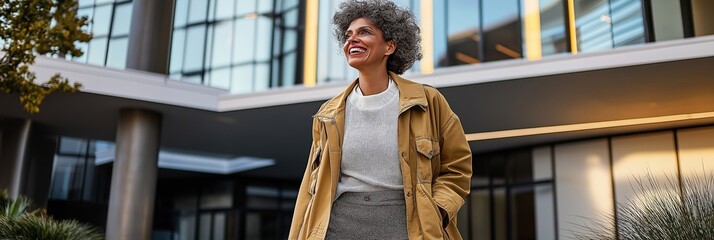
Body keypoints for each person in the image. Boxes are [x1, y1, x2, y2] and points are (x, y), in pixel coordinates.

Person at [289, 0, 472, 239]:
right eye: (348, 35)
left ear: (390, 46)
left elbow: (457, 168)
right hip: (338, 227)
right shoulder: (328, 114)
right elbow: (309, 190)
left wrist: (436, 211)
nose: (352, 40)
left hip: (406, 226)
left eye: (364, 32)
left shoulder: (428, 101)